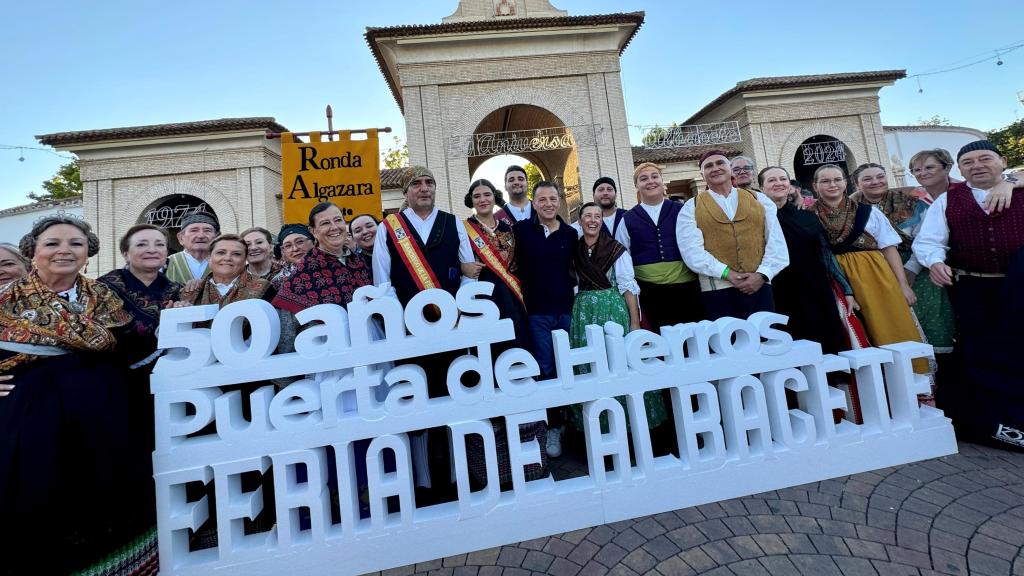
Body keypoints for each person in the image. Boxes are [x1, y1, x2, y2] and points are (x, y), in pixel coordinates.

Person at [0, 216, 156, 575]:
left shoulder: (104, 298)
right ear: (32, 253)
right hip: (31, 421)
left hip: (104, 418)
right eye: (52, 243)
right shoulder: (6, 300)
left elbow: (133, 349)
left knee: (108, 499)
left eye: (75, 243)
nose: (64, 251)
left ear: (88, 254)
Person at [372, 165, 477, 502]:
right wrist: (403, 321)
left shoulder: (452, 222)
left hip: (451, 325)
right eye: (416, 183)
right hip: (409, 329)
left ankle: (459, 474)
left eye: (429, 182)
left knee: (454, 394)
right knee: (415, 399)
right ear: (405, 192)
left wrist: (461, 311)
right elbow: (382, 282)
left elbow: (469, 271)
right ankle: (423, 482)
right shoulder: (390, 228)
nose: (423, 188)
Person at [913, 139, 1024, 446]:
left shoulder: (1020, 188)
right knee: (982, 352)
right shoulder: (950, 200)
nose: (977, 166)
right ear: (959, 169)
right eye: (969, 162)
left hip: (1020, 284)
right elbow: (928, 241)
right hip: (975, 285)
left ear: (1002, 160)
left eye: (984, 158)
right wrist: (935, 262)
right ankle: (999, 423)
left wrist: (1014, 181)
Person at [461, 179, 543, 487]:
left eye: (487, 194)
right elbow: (459, 261)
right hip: (485, 301)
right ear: (471, 199)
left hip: (516, 299)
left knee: (519, 358)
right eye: (477, 195)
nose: (482, 199)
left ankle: (528, 430)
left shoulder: (511, 228)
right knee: (492, 363)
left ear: (495, 198)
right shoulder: (464, 229)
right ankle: (496, 438)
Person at [811, 164, 927, 374]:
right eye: (825, 181)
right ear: (815, 186)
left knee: (889, 324)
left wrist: (903, 285)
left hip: (873, 274)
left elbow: (889, 248)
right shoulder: (809, 216)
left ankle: (910, 379)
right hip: (833, 277)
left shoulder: (868, 212)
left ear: (846, 183)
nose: (832, 184)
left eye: (837, 179)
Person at [568, 202, 669, 442]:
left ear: (602, 221)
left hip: (612, 310)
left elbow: (627, 286)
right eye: (587, 216)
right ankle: (596, 429)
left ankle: (631, 428)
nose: (592, 220)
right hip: (582, 313)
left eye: (597, 216)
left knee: (619, 364)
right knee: (588, 366)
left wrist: (635, 322)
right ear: (580, 221)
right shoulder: (573, 250)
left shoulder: (615, 248)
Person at [758, 167, 857, 355]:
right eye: (771, 180)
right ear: (761, 187)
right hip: (779, 290)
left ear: (790, 186)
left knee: (824, 342)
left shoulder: (808, 217)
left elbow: (825, 253)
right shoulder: (757, 219)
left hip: (815, 287)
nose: (778, 183)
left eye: (783, 179)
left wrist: (847, 289)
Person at [680, 150, 788, 320]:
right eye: (708, 166)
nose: (715, 168)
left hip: (759, 286)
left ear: (730, 169)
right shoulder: (691, 207)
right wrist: (727, 273)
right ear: (702, 174)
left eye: (720, 163)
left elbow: (776, 242)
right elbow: (691, 251)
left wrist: (761, 275)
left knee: (766, 343)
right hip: (717, 290)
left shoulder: (759, 199)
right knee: (727, 343)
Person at [512, 181, 577, 458]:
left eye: (553, 198)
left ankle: (572, 424)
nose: (548, 203)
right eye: (542, 199)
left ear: (559, 201)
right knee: (545, 370)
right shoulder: (521, 231)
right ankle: (551, 426)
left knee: (569, 368)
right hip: (537, 312)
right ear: (534, 203)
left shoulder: (571, 234)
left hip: (566, 310)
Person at [621, 162, 702, 328]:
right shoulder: (628, 218)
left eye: (654, 176)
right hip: (649, 291)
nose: (650, 181)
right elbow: (623, 257)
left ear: (662, 181)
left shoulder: (682, 210)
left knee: (692, 338)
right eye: (643, 179)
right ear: (636, 185)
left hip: (686, 288)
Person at [273, 203, 372, 316]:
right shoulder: (303, 272)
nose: (334, 227)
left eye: (338, 220)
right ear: (313, 231)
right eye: (325, 223)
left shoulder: (360, 262)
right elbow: (288, 327)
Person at [178, 234, 275, 307]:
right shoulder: (189, 291)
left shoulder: (265, 289)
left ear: (245, 259)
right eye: (221, 253)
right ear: (209, 257)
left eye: (236, 254)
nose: (227, 258)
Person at [165, 211, 218, 284]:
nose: (201, 236)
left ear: (216, 237)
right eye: (194, 230)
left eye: (207, 231)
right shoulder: (165, 264)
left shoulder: (225, 263)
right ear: (181, 238)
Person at [270, 223, 314, 289]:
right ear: (283, 250)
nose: (295, 249)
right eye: (288, 245)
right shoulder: (278, 282)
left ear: (314, 241)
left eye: (300, 241)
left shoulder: (332, 266)